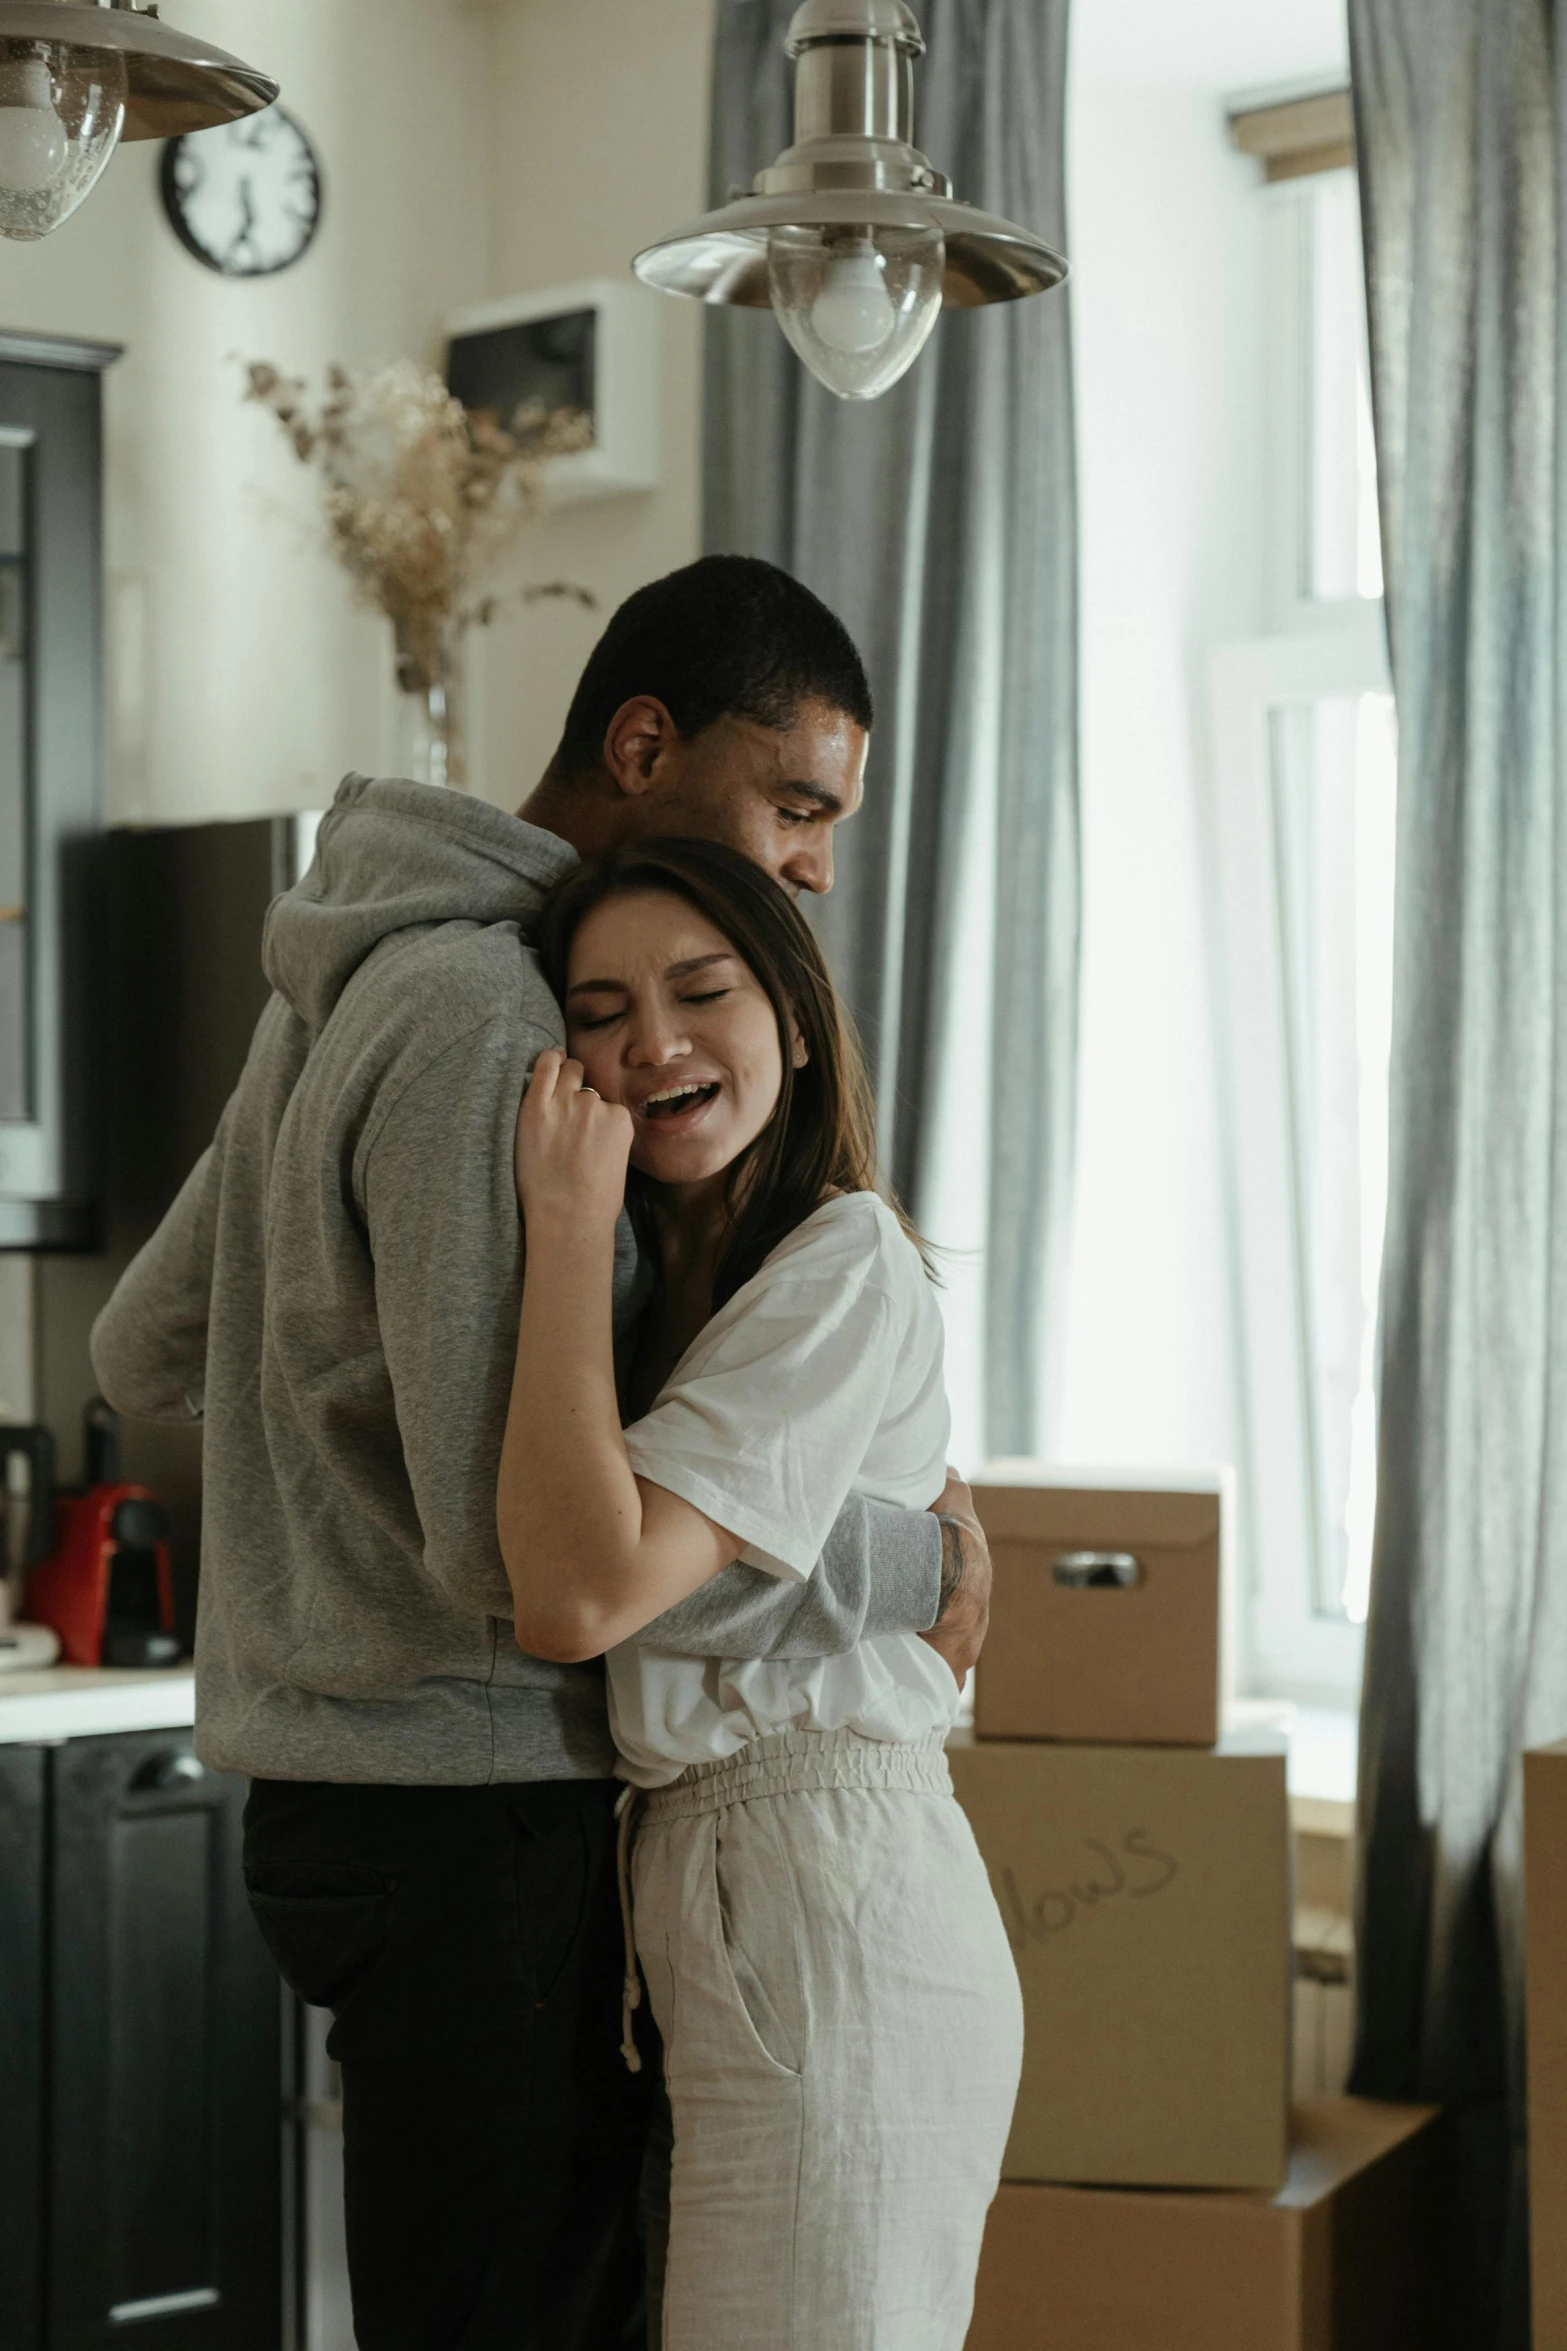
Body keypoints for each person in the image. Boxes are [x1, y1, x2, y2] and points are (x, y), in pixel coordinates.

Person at [89, 555, 993, 2351]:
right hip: (474, 1796)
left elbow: (144, 1345)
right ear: (646, 742)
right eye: (795, 802)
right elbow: (546, 1568)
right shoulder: (493, 1023)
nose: (815, 859)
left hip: (344, 1801)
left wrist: (332, 1376)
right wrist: (916, 1564)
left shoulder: (337, 980)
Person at [500, 836, 1023, 2351]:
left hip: (827, 1903)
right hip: (737, 1899)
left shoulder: (841, 1253)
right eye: (598, 1009)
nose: (649, 1040)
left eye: (698, 987)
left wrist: (559, 1226)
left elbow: (577, 1586)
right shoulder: (690, 1292)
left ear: (792, 1011)